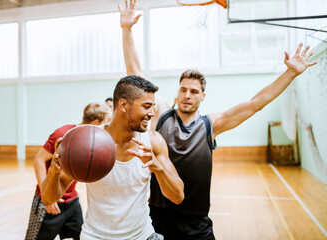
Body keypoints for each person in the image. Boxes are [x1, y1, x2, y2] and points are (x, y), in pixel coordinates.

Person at [119, 0, 317, 239]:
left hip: (196, 219)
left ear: (203, 97)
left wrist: (290, 73)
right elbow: (136, 74)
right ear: (177, 92)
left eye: (193, 92)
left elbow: (255, 103)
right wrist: (127, 30)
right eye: (183, 90)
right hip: (160, 214)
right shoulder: (161, 115)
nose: (187, 95)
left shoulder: (210, 124)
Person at [40, 75, 185, 240]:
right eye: (146, 106)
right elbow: (49, 198)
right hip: (96, 236)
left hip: (142, 235)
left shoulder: (153, 142)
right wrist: (54, 170)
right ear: (123, 104)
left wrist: (158, 169)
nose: (151, 113)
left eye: (153, 107)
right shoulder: (89, 142)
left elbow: (178, 196)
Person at [25, 103, 112, 240]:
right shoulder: (63, 134)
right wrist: (45, 194)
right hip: (48, 202)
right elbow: (39, 160)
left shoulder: (93, 141)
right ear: (96, 123)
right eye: (105, 123)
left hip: (72, 201)